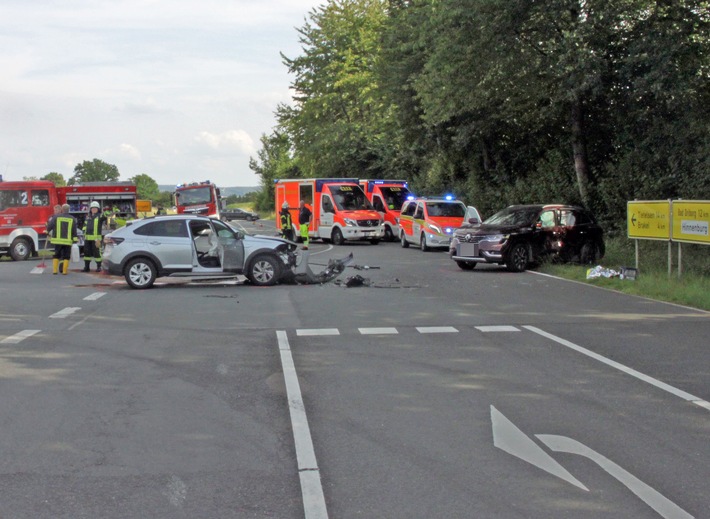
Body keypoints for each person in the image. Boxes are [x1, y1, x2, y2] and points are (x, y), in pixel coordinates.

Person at [46, 203, 78, 275]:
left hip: (57, 241)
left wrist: (47, 231)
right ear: (68, 210)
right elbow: (74, 230)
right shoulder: (72, 218)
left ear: (62, 210)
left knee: (56, 255)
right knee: (66, 256)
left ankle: (54, 270)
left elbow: (50, 225)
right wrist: (75, 239)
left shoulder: (56, 217)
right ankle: (64, 271)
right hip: (67, 241)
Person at [82, 201, 106, 272]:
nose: (94, 209)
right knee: (86, 253)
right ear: (90, 209)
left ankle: (99, 267)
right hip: (87, 238)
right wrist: (83, 231)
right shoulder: (88, 217)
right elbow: (85, 226)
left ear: (98, 209)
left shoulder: (100, 216)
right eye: (92, 208)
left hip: (96, 239)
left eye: (95, 208)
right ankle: (86, 267)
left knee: (97, 253)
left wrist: (108, 212)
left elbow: (105, 216)